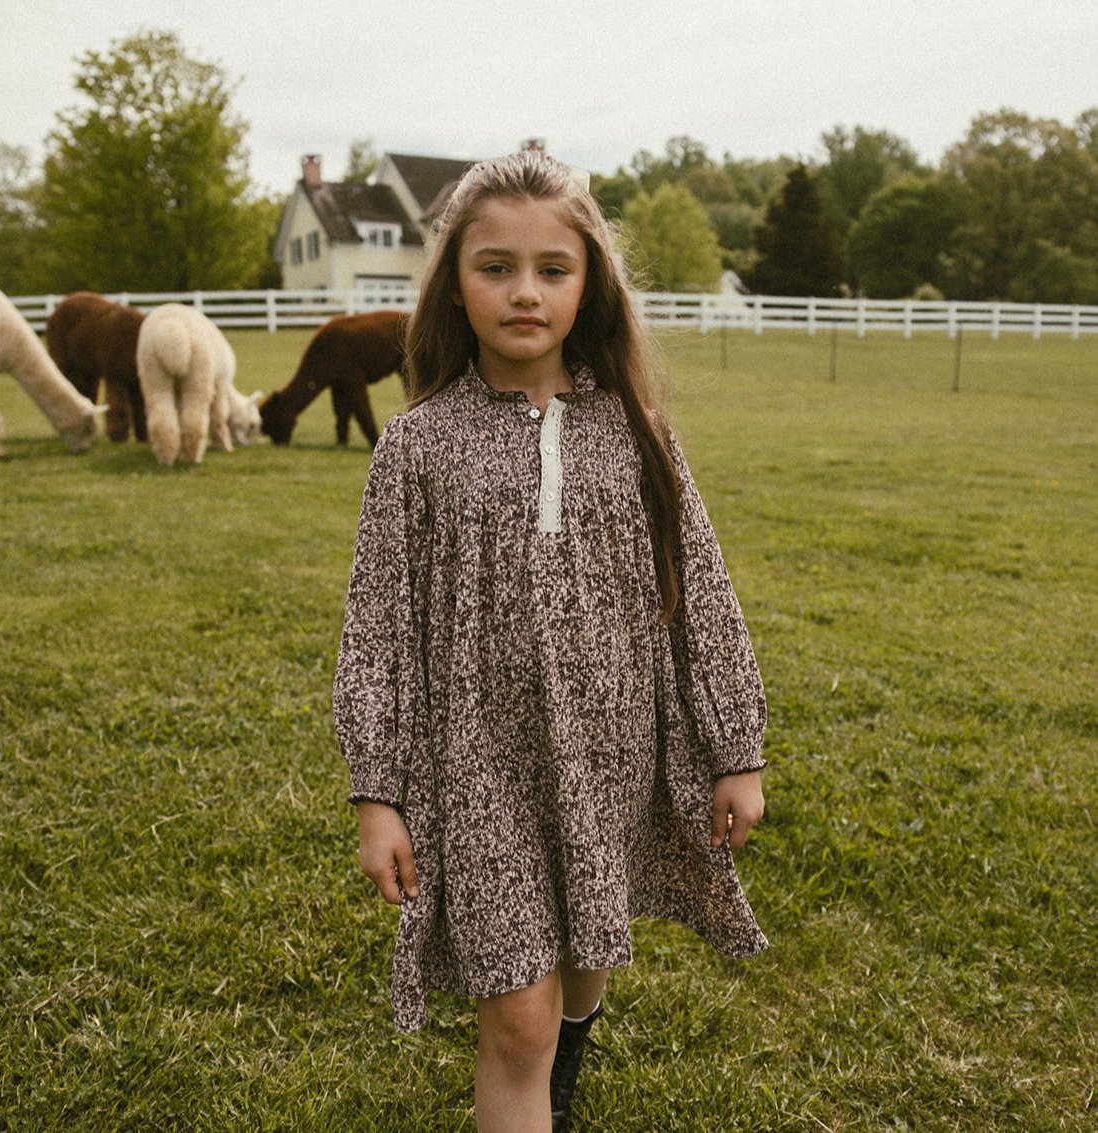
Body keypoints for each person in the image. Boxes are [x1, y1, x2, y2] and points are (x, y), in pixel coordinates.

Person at [333, 148, 767, 1133]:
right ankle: (538, 1069)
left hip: (612, 751)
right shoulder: (416, 444)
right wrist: (376, 788)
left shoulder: (637, 430)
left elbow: (699, 592)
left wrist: (733, 747)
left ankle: (563, 1070)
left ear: (588, 284)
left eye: (551, 269)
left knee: (585, 948)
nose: (523, 291)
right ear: (454, 281)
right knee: (516, 1019)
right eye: (494, 266)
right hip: (476, 762)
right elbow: (377, 625)